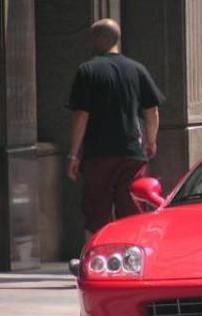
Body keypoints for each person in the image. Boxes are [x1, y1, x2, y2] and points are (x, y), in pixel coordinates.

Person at [67, 18, 165, 235]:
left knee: (96, 210)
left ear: (97, 40)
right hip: (132, 152)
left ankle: (96, 258)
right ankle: (131, 256)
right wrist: (150, 141)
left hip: (99, 153)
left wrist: (74, 154)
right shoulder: (137, 69)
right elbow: (152, 111)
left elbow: (81, 115)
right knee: (131, 206)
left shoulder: (87, 70)